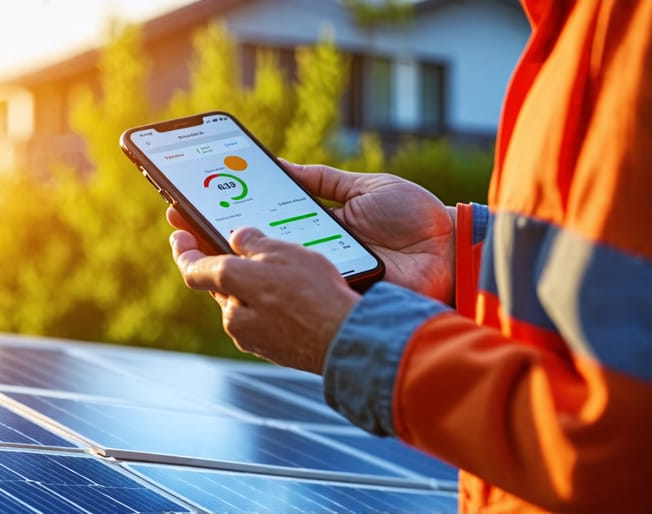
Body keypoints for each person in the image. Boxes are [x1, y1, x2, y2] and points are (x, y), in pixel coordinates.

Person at [166, 0, 652, 512]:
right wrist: (455, 254)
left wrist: (351, 341)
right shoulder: (573, 25)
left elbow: (620, 453)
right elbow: (610, 285)